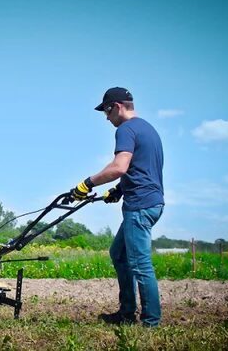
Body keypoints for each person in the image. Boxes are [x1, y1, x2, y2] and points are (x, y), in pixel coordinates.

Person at [69, 87, 164, 327]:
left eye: (106, 111)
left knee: (141, 265)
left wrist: (87, 183)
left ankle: (151, 322)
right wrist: (119, 190)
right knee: (119, 254)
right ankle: (126, 312)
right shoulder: (147, 129)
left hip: (140, 206)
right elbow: (140, 168)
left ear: (117, 106)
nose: (106, 117)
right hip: (151, 201)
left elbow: (119, 166)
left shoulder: (126, 129)